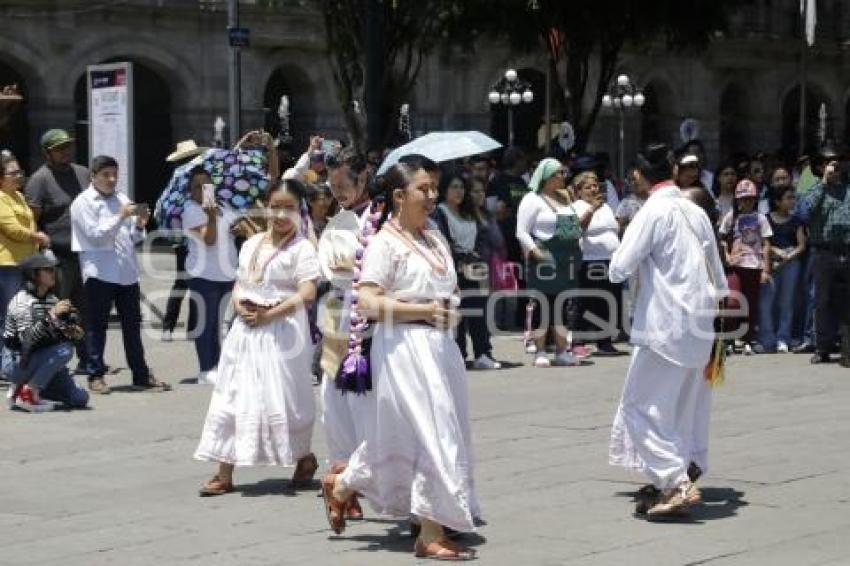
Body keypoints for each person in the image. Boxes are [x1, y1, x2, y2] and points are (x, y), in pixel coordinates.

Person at [320, 161, 479, 561]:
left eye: (433, 189)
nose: (432, 196)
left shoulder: (435, 238)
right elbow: (368, 302)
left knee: (412, 435)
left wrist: (445, 310)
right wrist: (421, 310)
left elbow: (449, 289)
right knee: (431, 432)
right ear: (399, 196)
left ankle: (342, 486)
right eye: (423, 189)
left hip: (441, 350)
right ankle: (429, 530)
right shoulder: (384, 243)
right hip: (403, 349)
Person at [608, 143, 727, 519]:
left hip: (665, 324)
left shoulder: (652, 211)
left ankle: (675, 481)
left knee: (638, 408)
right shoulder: (696, 212)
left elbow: (618, 268)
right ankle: (668, 482)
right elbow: (719, 276)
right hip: (700, 325)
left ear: (639, 177)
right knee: (675, 408)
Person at [194, 180, 320, 494]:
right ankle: (224, 471)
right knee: (233, 394)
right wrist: (239, 304)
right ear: (264, 206)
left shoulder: (303, 248)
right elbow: (240, 282)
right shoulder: (252, 244)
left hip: (284, 332)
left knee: (282, 398)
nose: (280, 214)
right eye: (275, 206)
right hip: (246, 330)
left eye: (289, 208)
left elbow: (307, 293)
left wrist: (271, 314)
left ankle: (303, 457)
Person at [70, 155, 171, 394]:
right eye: (106, 175)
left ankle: (141, 374)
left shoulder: (122, 199)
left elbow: (133, 239)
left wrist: (139, 224)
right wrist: (121, 216)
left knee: (132, 326)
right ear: (93, 176)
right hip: (100, 272)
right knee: (97, 326)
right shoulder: (83, 202)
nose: (112, 179)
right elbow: (96, 236)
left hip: (126, 273)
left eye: (115, 174)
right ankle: (95, 375)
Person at [317, 147, 379, 518]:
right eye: (332, 185)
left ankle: (363, 476)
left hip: (370, 313)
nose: (338, 192)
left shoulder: (382, 216)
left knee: (367, 397)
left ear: (363, 179)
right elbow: (327, 264)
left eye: (344, 185)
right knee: (334, 397)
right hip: (338, 311)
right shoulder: (337, 222)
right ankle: (341, 477)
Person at [24, 130, 89, 366]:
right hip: (57, 258)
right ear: (47, 153)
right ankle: (51, 360)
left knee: (85, 310)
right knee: (58, 310)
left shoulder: (82, 173)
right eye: (59, 148)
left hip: (85, 254)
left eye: (68, 146)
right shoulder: (39, 180)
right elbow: (31, 220)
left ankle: (88, 359)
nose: (66, 152)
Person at [516, 158, 582, 368]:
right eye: (558, 173)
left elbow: (572, 227)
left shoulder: (565, 198)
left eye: (563, 173)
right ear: (545, 176)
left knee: (562, 307)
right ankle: (541, 351)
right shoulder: (532, 199)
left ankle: (563, 351)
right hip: (545, 256)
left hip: (566, 258)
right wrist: (535, 252)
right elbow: (521, 231)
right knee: (543, 306)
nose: (563, 177)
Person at [3, 252, 88, 411]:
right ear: (34, 274)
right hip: (17, 361)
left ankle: (23, 390)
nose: (53, 273)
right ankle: (28, 394)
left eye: (53, 269)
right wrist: (52, 316)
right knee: (64, 350)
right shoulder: (22, 302)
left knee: (80, 398)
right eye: (47, 270)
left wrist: (70, 330)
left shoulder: (51, 299)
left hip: (40, 359)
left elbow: (53, 330)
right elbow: (25, 340)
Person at [434, 169, 501, 370]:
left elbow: (483, 236)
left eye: (462, 187)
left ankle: (483, 353)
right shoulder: (440, 212)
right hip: (453, 270)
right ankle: (459, 355)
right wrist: (460, 259)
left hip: (476, 268)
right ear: (444, 189)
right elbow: (441, 240)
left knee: (479, 311)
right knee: (458, 314)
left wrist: (477, 256)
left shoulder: (469, 212)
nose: (459, 191)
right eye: (454, 187)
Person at [181, 166, 239, 383]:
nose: (202, 190)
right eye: (197, 187)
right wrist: (212, 218)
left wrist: (238, 228)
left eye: (206, 185)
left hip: (227, 273)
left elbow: (234, 228)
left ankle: (218, 365)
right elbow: (209, 239)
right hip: (204, 276)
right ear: (191, 191)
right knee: (206, 324)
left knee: (221, 325)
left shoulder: (223, 205)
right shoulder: (191, 210)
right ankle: (205, 370)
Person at [798, 152, 850, 365]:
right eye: (830, 164)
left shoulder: (848, 190)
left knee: (847, 302)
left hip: (847, 249)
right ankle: (822, 347)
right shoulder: (814, 190)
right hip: (823, 251)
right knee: (822, 301)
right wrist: (823, 183)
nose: (835, 169)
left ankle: (847, 348)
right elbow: (803, 213)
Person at [159, 140, 210, 342]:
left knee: (190, 282)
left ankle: (186, 328)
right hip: (185, 237)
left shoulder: (187, 178)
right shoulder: (180, 179)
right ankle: (173, 327)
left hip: (192, 236)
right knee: (184, 282)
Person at [0, 150, 48, 362]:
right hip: (7, 265)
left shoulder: (18, 196)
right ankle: (6, 362)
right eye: (13, 173)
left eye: (20, 172)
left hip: (24, 263)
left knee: (19, 313)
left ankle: (12, 359)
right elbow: (12, 229)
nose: (19, 176)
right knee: (9, 314)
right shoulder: (1, 199)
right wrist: (36, 237)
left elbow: (28, 222)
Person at [572, 171, 623, 356]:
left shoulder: (606, 206)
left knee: (608, 303)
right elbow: (574, 230)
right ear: (578, 191)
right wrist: (591, 209)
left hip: (610, 261)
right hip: (590, 261)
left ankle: (604, 341)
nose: (593, 188)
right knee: (586, 301)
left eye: (595, 185)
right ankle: (577, 340)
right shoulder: (576, 206)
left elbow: (615, 228)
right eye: (588, 186)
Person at [719, 179, 772, 355]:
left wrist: (766, 269)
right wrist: (726, 257)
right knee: (733, 302)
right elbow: (721, 240)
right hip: (736, 266)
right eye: (743, 198)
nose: (746, 202)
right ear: (737, 199)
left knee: (750, 304)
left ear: (755, 199)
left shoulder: (761, 218)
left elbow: (766, 244)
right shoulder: (731, 217)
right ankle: (728, 339)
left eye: (749, 198)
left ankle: (748, 338)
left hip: (754, 266)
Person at [758, 186, 806, 353]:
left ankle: (783, 338)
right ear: (777, 201)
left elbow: (802, 245)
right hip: (770, 262)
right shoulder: (765, 219)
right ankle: (767, 339)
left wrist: (787, 256)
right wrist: (776, 251)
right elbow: (763, 242)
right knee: (767, 302)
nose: (793, 201)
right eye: (788, 198)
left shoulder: (797, 221)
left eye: (793, 197)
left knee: (787, 302)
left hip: (791, 263)